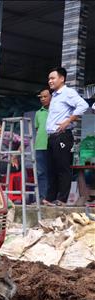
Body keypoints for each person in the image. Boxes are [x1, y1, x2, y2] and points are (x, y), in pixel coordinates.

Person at [45, 66, 89, 205]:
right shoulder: (56, 96)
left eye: (53, 78)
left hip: (62, 136)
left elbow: (83, 105)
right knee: (51, 168)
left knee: (63, 168)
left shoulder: (68, 93)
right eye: (49, 79)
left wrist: (69, 120)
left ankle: (62, 199)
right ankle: (50, 198)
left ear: (62, 78)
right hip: (52, 137)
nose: (50, 81)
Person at [34, 87, 51, 204]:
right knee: (41, 173)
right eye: (41, 97)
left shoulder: (55, 111)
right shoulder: (38, 113)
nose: (43, 99)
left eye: (45, 96)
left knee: (52, 172)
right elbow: (37, 128)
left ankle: (51, 197)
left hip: (52, 145)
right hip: (40, 146)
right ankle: (41, 198)